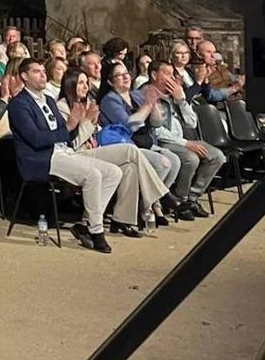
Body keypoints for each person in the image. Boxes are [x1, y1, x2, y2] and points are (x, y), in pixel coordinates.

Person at [7, 59, 121, 253]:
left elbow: (64, 132)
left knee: (113, 172)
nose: (43, 74)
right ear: (24, 77)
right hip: (41, 158)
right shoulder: (19, 105)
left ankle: (86, 224)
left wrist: (75, 124)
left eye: (44, 71)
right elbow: (35, 139)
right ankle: (96, 231)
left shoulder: (49, 100)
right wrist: (70, 125)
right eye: (36, 72)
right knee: (92, 175)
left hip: (62, 151)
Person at [55, 68, 176, 235]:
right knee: (130, 150)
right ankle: (160, 195)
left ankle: (120, 220)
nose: (85, 86)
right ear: (70, 85)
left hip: (97, 149)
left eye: (86, 82)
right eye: (80, 83)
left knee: (130, 168)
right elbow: (72, 143)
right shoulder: (62, 106)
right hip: (76, 154)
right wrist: (87, 121)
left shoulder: (89, 103)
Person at [97, 61, 184, 221]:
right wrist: (148, 103)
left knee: (175, 161)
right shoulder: (110, 100)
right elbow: (130, 126)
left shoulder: (136, 95)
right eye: (119, 75)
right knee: (162, 163)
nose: (125, 77)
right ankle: (147, 207)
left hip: (146, 143)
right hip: (126, 145)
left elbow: (156, 122)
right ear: (110, 81)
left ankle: (154, 202)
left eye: (126, 74)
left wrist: (154, 103)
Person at [147, 61, 227, 218]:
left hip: (183, 138)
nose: (172, 78)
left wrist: (181, 100)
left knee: (217, 156)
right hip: (165, 142)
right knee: (191, 159)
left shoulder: (175, 94)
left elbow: (192, 122)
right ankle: (180, 201)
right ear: (154, 75)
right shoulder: (149, 94)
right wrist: (186, 143)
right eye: (167, 74)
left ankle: (192, 197)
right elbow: (157, 131)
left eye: (173, 74)